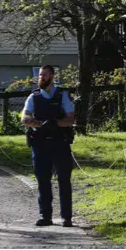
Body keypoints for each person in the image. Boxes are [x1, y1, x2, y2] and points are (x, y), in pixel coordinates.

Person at [21, 65, 75, 228]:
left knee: (64, 181)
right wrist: (40, 124)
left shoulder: (63, 95)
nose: (41, 78)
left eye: (44, 75)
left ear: (52, 76)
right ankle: (45, 215)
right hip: (40, 144)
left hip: (60, 143)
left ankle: (66, 217)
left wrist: (56, 124)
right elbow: (24, 118)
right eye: (39, 75)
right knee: (43, 180)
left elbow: (70, 119)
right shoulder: (34, 97)